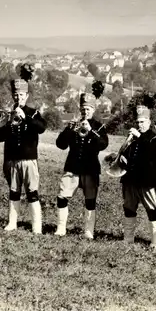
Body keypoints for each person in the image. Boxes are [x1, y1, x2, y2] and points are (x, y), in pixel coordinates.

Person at [0, 64, 47, 234]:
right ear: (13, 96)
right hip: (11, 159)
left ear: (27, 96)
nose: (19, 98)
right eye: (16, 95)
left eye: (22, 95)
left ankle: (36, 225)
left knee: (32, 192)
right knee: (13, 192)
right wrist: (9, 122)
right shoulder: (7, 114)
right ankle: (12, 222)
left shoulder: (33, 113)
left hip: (29, 159)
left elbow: (41, 127)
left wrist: (26, 118)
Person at [55, 92, 109, 239]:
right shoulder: (73, 124)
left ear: (94, 109)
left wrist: (91, 131)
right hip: (72, 167)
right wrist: (69, 129)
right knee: (62, 197)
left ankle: (88, 231)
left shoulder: (99, 127)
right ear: (80, 109)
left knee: (90, 201)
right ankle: (61, 228)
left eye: (89, 109)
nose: (86, 112)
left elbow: (103, 145)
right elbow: (60, 144)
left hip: (90, 169)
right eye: (83, 109)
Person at [115, 105, 156, 248]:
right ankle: (128, 239)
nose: (139, 125)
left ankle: (155, 242)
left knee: (152, 210)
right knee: (129, 208)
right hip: (130, 180)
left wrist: (139, 136)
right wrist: (122, 158)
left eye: (142, 122)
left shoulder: (154, 139)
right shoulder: (133, 139)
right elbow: (125, 153)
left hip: (146, 181)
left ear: (149, 122)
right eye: (138, 122)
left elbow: (150, 154)